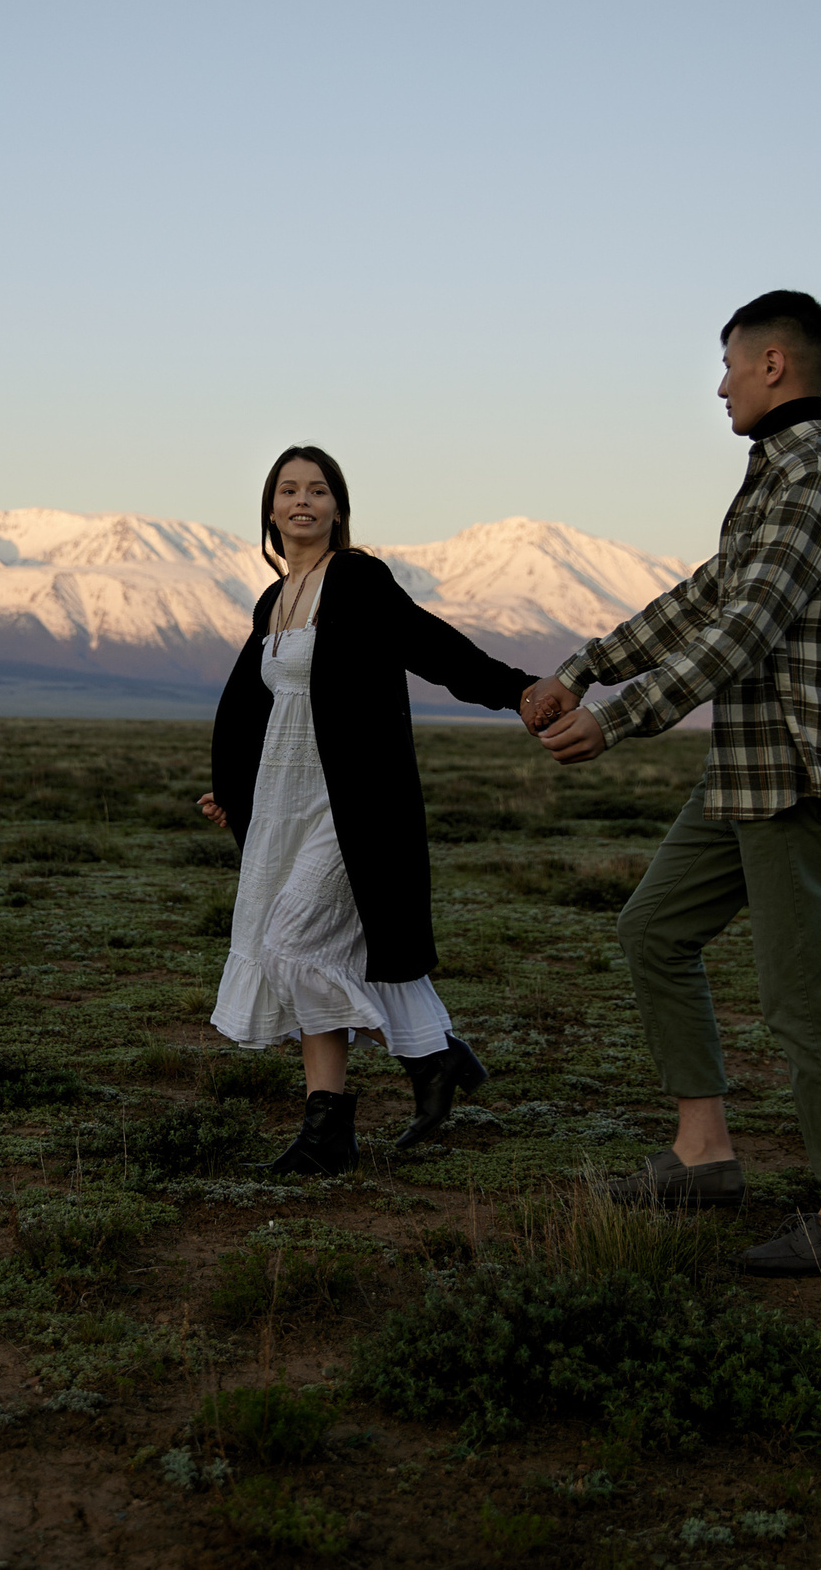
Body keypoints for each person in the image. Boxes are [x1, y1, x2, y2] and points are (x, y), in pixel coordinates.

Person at [519, 290, 821, 1276]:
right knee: (653, 929)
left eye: (729, 365)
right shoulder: (775, 478)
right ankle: (703, 1154)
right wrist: (583, 668)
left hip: (793, 772)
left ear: (774, 363)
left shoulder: (816, 475)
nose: (721, 385)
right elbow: (703, 597)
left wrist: (617, 717)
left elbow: (744, 630)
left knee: (803, 999)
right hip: (742, 771)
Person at [199, 445, 537, 1174]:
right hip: (287, 802)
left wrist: (516, 690)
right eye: (289, 490)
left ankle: (429, 1055)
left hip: (348, 802)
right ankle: (329, 1131)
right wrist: (234, 790)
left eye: (318, 490)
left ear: (338, 508)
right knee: (322, 954)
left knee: (293, 947)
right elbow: (253, 707)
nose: (303, 501)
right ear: (269, 509)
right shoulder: (273, 599)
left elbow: (429, 644)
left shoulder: (354, 579)